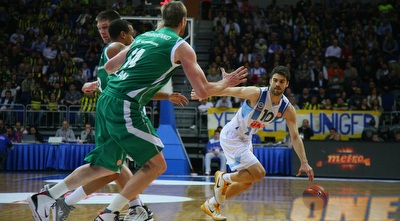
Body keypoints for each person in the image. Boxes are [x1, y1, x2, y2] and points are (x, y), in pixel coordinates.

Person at [28, 3, 247, 221]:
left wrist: (103, 82)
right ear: (183, 22)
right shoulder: (181, 46)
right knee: (156, 164)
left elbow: (110, 67)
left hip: (107, 99)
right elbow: (202, 90)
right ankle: (112, 213)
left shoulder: (144, 37)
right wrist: (226, 82)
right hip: (124, 105)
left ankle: (48, 197)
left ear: (162, 19)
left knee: (105, 165)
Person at [192, 66, 314, 220]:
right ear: (270, 81)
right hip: (233, 136)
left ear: (287, 84)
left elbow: (295, 137)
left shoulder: (287, 108)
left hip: (246, 140)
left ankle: (212, 204)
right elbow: (226, 91)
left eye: (281, 82)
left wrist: (304, 162)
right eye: (275, 80)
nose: (277, 84)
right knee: (259, 173)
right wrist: (203, 91)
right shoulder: (256, 93)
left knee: (247, 181)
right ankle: (224, 178)